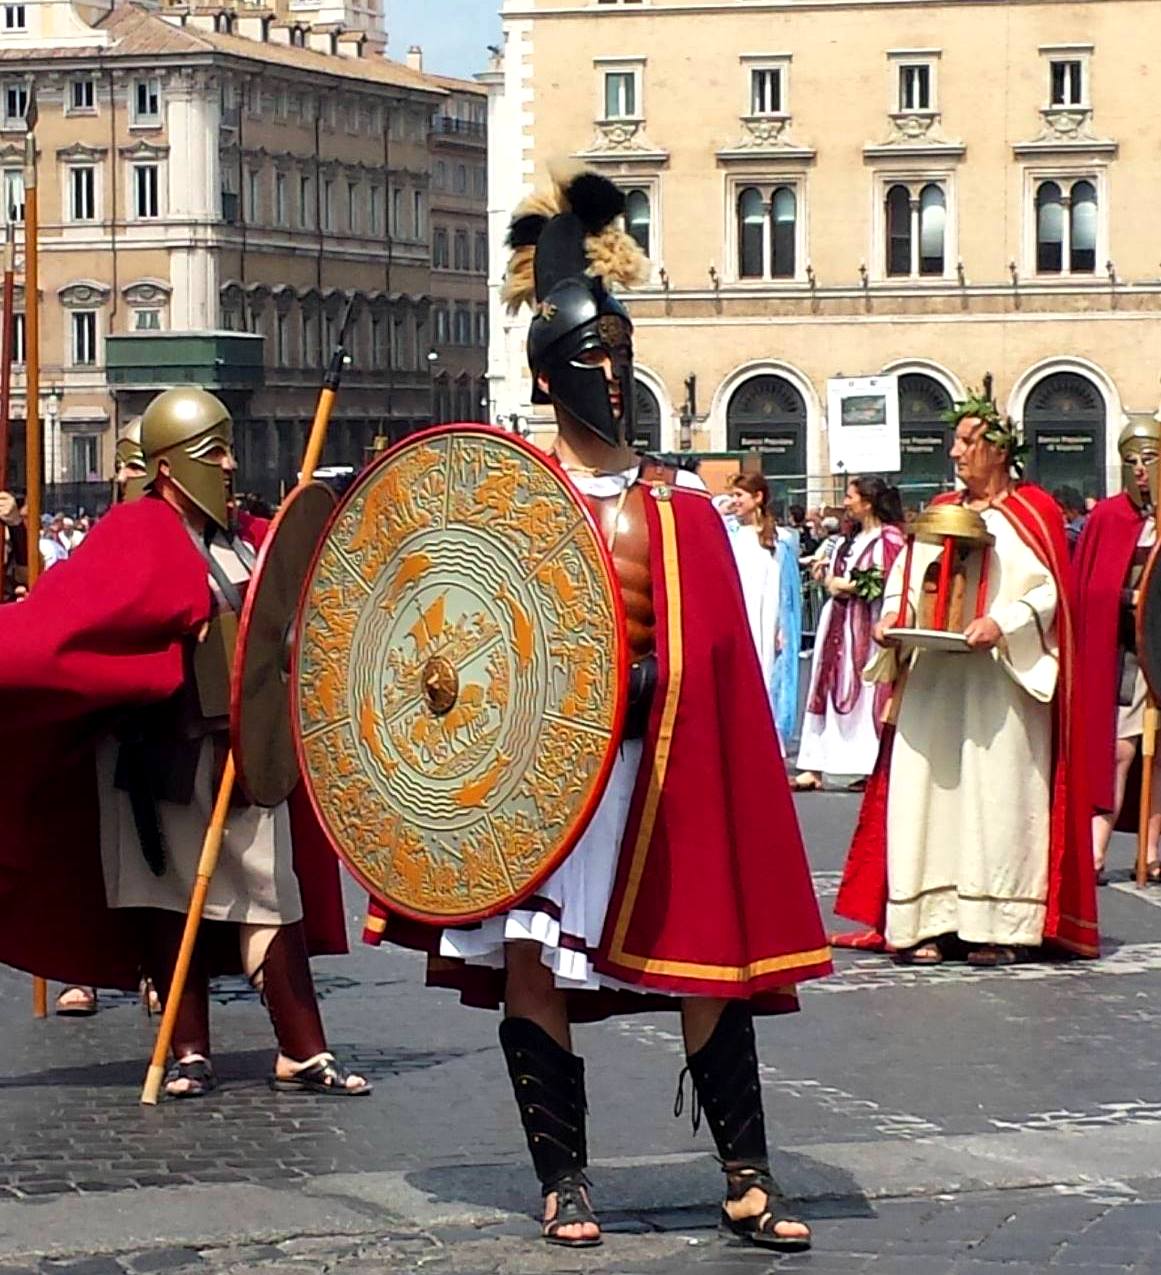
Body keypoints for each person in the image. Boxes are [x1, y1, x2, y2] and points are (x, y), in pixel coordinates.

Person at [364, 168, 831, 1252]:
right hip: (539, 774)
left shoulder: (681, 509)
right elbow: (435, 640)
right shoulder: (505, 494)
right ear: (544, 374)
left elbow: (717, 654)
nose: (612, 377)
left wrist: (659, 680)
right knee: (535, 958)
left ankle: (748, 1176)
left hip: (658, 766)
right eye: (590, 358)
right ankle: (563, 1180)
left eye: (622, 357)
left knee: (706, 960)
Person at [0, 386, 369, 1099]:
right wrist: (178, 644)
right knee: (169, 901)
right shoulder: (140, 534)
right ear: (168, 467)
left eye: (229, 449)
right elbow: (75, 632)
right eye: (214, 451)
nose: (230, 465)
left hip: (241, 753)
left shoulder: (235, 538)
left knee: (268, 894)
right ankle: (190, 1049)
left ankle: (301, 1048)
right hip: (160, 758)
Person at [833, 390, 1098, 965]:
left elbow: (1052, 592)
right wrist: (891, 622)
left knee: (997, 796)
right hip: (933, 677)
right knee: (923, 793)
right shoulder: (942, 509)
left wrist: (1002, 624)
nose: (956, 452)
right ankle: (925, 921)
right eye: (956, 443)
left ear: (999, 452)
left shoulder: (1035, 515)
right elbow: (910, 573)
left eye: (968, 443)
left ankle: (998, 926)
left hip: (1000, 683)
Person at [1073, 419, 1161, 883]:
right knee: (1120, 750)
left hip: (1160, 650)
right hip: (1126, 652)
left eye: (1149, 460)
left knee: (1159, 751)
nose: (1141, 471)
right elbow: (1090, 588)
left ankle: (1149, 852)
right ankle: (1096, 848)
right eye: (1132, 462)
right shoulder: (1110, 517)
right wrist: (1129, 599)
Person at [793, 478, 905, 791]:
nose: (846, 502)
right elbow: (836, 572)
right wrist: (827, 575)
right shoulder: (848, 539)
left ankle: (867, 763)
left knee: (865, 689)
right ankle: (814, 764)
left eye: (850, 496)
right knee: (825, 683)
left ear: (868, 502)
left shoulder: (889, 538)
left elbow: (893, 578)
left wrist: (849, 586)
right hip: (838, 619)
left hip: (867, 622)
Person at [1054, 485, 1087, 556]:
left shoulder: (1071, 533)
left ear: (1073, 510)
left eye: (1064, 513)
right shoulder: (1088, 523)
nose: (1062, 517)